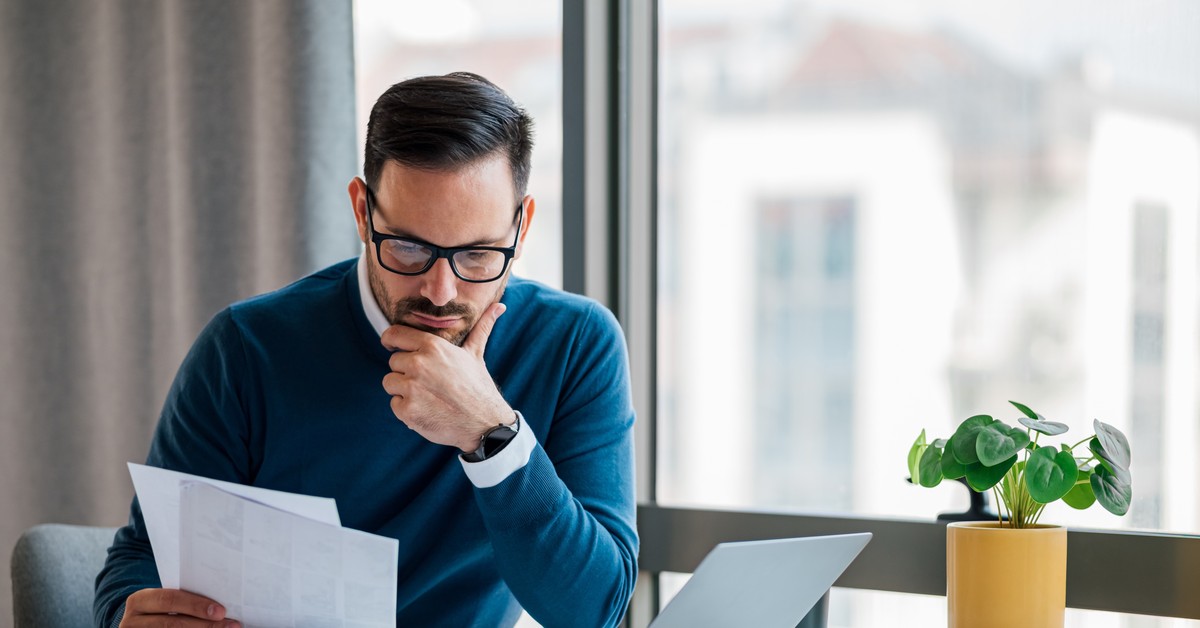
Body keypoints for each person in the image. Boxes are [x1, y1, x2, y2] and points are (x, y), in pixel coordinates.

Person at [94, 72, 638, 628]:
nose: (441, 291)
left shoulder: (575, 345)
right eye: (407, 248)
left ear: (521, 227)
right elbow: (139, 561)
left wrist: (491, 436)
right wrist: (127, 616)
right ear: (361, 212)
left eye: (477, 254)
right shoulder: (246, 349)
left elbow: (593, 611)